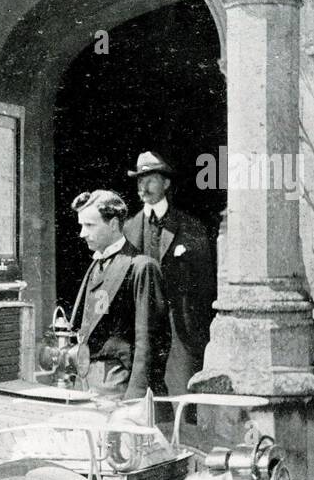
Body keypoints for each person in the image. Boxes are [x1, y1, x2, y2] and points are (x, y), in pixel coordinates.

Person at [122, 151, 217, 392]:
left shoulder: (190, 227)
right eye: (139, 180)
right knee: (142, 399)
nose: (143, 186)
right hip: (142, 331)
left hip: (180, 333)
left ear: (166, 183)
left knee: (182, 399)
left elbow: (205, 286)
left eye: (150, 179)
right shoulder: (128, 229)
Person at [69, 188, 169, 400]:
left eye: (89, 225)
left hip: (118, 385)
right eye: (81, 225)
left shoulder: (141, 267)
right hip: (85, 382)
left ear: (113, 224)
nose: (82, 233)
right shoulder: (96, 265)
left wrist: (135, 399)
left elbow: (149, 343)